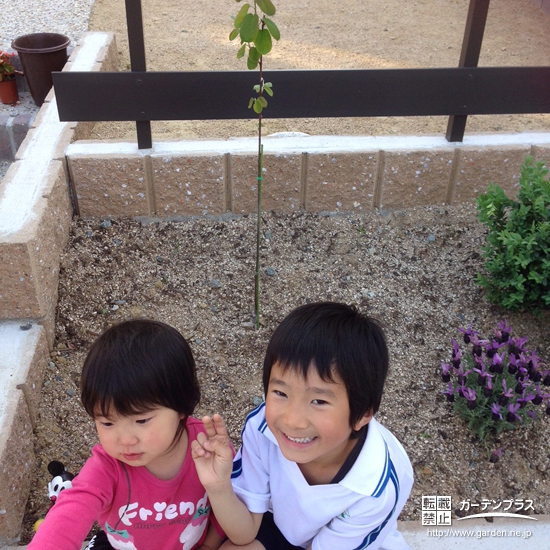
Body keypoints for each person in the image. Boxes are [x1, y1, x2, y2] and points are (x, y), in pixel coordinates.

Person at [192, 302, 414, 550]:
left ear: (362, 414)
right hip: (277, 524)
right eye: (280, 392)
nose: (292, 421)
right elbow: (243, 534)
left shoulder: (376, 487)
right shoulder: (262, 428)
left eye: (319, 401)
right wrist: (219, 486)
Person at [29, 319, 225, 550]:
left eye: (141, 420)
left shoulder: (206, 447)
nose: (125, 440)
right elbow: (73, 508)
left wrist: (210, 545)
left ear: (182, 406)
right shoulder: (107, 467)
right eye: (107, 423)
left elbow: (228, 503)